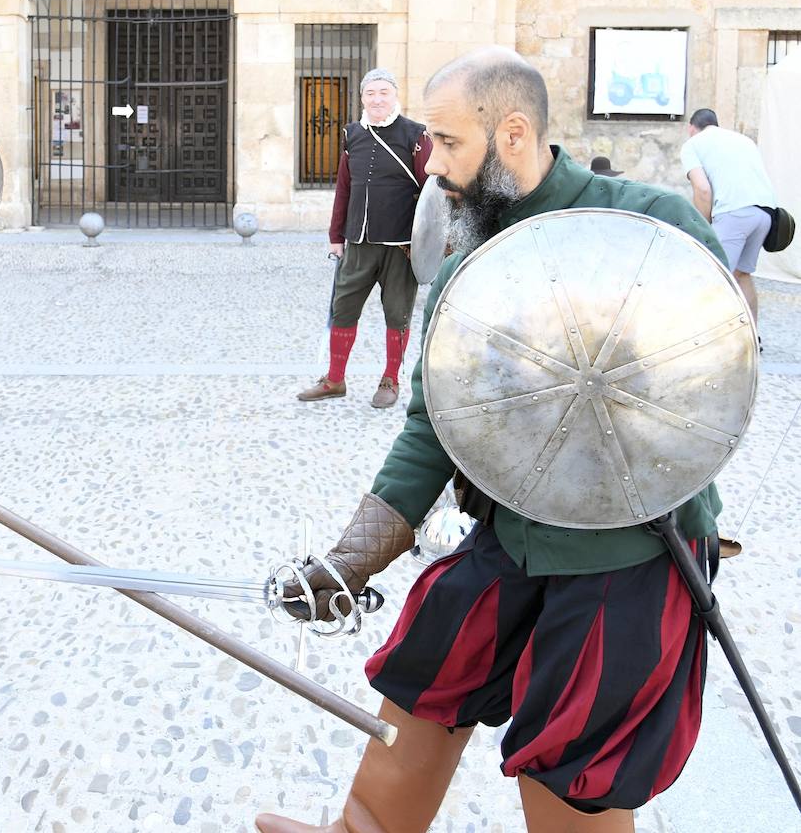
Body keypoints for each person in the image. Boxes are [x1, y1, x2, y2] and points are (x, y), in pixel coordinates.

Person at [257, 48, 728, 833]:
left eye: (447, 144)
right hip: (512, 529)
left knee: (574, 750)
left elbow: (708, 381)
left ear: (512, 133)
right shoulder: (466, 257)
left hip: (631, 552)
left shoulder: (650, 228)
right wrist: (349, 558)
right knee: (429, 661)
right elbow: (432, 425)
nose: (431, 164)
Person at [299, 68, 433, 409]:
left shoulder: (416, 135)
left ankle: (390, 379)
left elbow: (432, 192)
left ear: (395, 95)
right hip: (357, 241)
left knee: (397, 314)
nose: (376, 99)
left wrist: (428, 243)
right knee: (343, 308)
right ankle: (334, 379)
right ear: (362, 98)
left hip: (400, 246)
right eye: (370, 93)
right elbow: (344, 187)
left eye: (383, 92)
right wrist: (335, 235)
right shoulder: (352, 134)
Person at [680, 108, 777, 327]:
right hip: (766, 212)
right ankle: (753, 336)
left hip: (733, 212)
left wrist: (702, 228)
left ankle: (711, 339)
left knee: (715, 278)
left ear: (691, 128)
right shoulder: (743, 140)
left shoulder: (692, 145)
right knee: (742, 275)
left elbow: (702, 190)